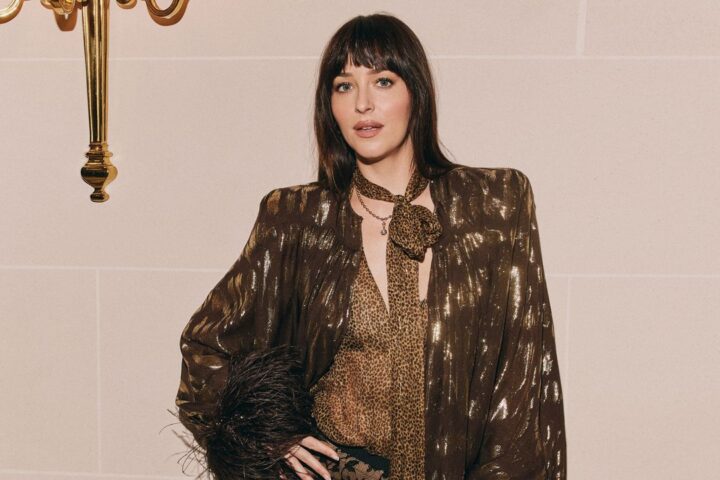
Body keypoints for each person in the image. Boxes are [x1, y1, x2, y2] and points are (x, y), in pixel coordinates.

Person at [174, 13, 566, 480]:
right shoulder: (297, 218)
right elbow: (206, 347)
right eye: (344, 86)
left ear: (415, 92)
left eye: (382, 81)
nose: (362, 103)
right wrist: (269, 434)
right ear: (330, 106)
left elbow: (522, 388)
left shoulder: (494, 205)